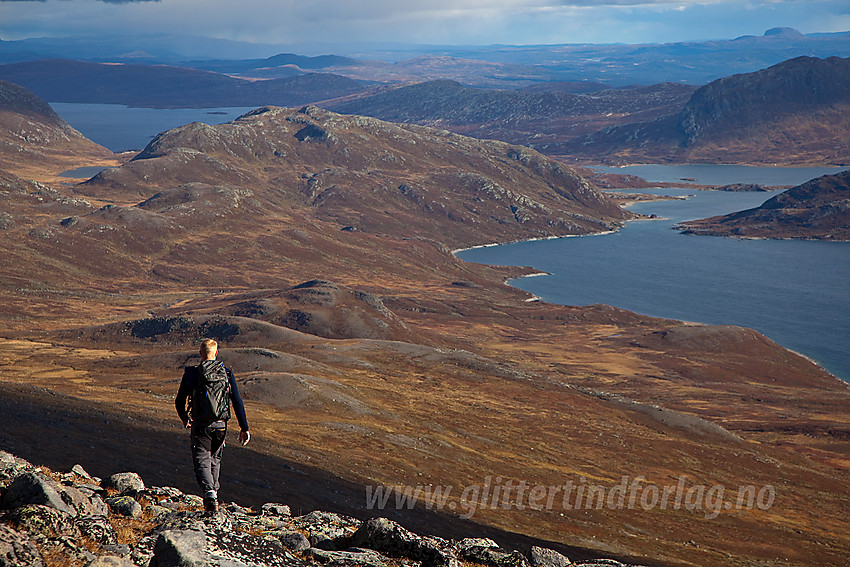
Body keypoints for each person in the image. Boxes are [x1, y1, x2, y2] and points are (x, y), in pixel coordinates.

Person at [175, 338, 250, 512]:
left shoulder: (192, 374)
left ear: (200, 353)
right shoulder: (227, 373)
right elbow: (237, 402)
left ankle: (210, 495)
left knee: (202, 458)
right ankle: (214, 495)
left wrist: (185, 418)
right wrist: (244, 428)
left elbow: (179, 401)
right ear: (216, 353)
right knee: (215, 459)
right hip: (221, 425)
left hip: (200, 425)